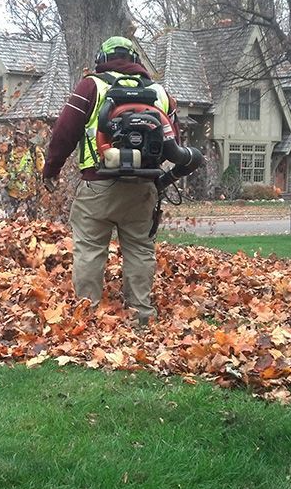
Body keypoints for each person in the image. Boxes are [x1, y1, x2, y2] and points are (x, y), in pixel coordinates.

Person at [41, 36, 185, 325]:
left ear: (101, 58)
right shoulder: (159, 93)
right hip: (143, 187)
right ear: (135, 59)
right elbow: (176, 142)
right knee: (140, 250)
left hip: (98, 184)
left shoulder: (92, 86)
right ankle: (140, 316)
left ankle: (87, 317)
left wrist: (51, 169)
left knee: (90, 249)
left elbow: (63, 133)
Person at [0, 129, 45, 220]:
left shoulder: (34, 150)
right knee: (10, 219)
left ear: (27, 137)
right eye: (19, 135)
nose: (21, 138)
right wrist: (5, 175)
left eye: (23, 135)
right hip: (12, 191)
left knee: (33, 219)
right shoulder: (8, 150)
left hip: (30, 191)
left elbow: (41, 167)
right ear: (15, 136)